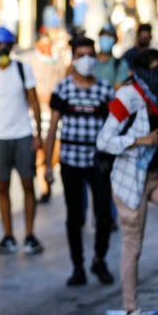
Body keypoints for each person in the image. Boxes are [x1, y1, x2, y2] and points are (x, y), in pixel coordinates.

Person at [96, 48, 158, 315]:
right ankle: (130, 310)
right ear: (140, 71)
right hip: (130, 180)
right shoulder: (128, 97)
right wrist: (139, 140)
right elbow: (104, 140)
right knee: (132, 246)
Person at [44, 37, 116, 286]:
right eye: (80, 55)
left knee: (104, 214)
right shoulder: (63, 89)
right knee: (75, 216)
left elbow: (114, 127)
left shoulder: (105, 90)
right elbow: (53, 127)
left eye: (89, 55)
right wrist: (47, 165)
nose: (85, 60)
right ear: (73, 59)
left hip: (98, 161)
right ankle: (78, 266)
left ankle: (99, 260)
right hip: (70, 160)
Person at [0, 27, 45, 255]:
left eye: (6, 45)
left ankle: (30, 233)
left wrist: (37, 135)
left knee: (28, 184)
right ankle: (8, 235)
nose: (2, 49)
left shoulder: (23, 69)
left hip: (22, 133)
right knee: (2, 186)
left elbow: (34, 101)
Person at [94, 24, 130, 89]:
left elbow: (118, 88)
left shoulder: (120, 65)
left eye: (109, 36)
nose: (106, 38)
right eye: (103, 35)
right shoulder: (89, 60)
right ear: (99, 38)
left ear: (115, 40)